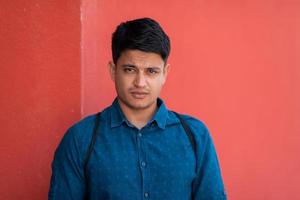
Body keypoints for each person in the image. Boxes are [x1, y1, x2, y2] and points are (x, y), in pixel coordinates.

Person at [48, 17, 227, 200]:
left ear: (165, 73)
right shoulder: (80, 139)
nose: (140, 83)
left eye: (151, 71)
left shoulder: (195, 136)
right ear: (113, 70)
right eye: (130, 70)